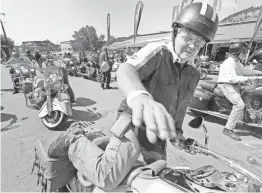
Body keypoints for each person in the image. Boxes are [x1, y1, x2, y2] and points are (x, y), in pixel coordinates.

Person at [48, 2, 219, 191]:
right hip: (134, 124)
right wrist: (140, 96)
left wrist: (177, 134)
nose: (192, 45)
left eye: (199, 42)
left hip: (157, 134)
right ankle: (74, 141)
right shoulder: (158, 52)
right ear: (176, 31)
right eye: (188, 37)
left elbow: (181, 107)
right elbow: (126, 70)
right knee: (108, 178)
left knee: (157, 182)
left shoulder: (193, 73)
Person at [217, 42, 262, 141]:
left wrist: (261, 73)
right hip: (226, 85)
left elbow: (245, 71)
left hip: (234, 84)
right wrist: (248, 79)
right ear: (236, 52)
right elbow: (231, 78)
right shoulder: (229, 62)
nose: (245, 54)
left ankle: (248, 118)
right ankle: (228, 129)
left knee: (249, 94)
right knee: (239, 105)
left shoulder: (236, 61)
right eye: (244, 52)